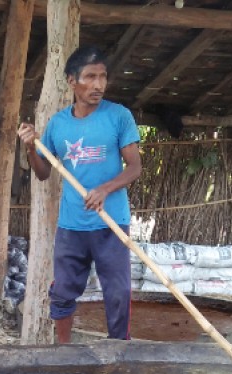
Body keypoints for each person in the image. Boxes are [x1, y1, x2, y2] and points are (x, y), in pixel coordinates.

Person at [16, 46, 142, 344]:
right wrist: (31, 147)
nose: (98, 84)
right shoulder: (59, 124)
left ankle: (117, 351)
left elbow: (135, 167)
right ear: (72, 81)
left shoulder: (118, 116)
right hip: (72, 224)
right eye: (90, 77)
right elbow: (43, 172)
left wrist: (104, 189)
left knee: (118, 293)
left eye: (102, 77)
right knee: (62, 291)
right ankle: (64, 351)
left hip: (111, 222)